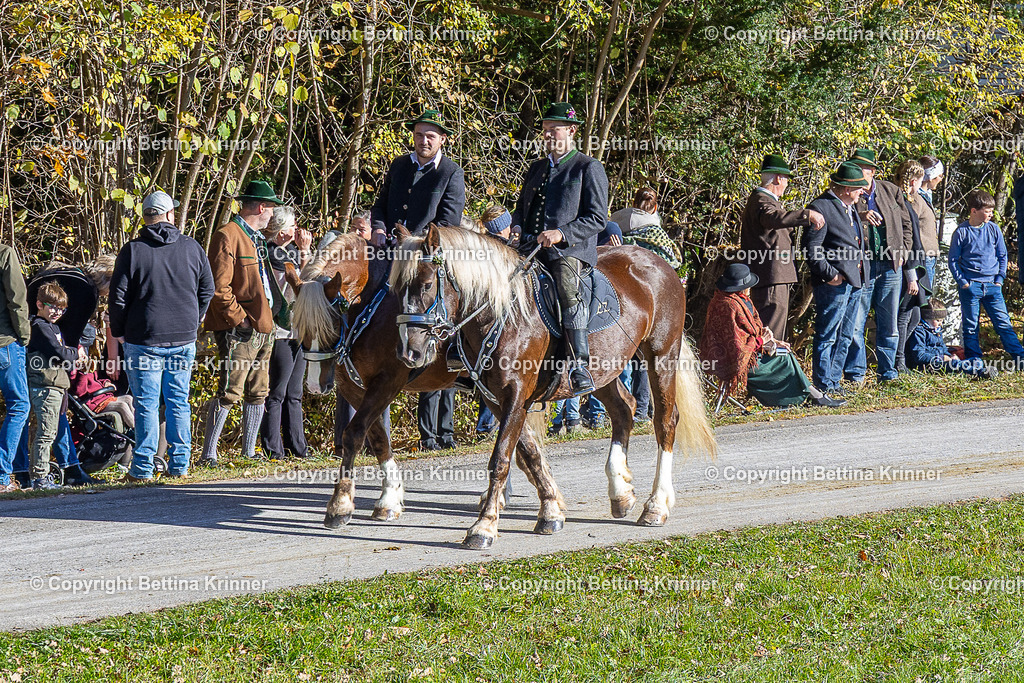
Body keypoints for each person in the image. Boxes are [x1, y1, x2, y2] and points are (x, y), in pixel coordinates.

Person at [109, 190, 214, 480]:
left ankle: (142, 467)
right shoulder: (192, 247)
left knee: (147, 403)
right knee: (179, 400)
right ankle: (180, 465)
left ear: (146, 218)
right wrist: (195, 317)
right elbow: (208, 288)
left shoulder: (133, 251)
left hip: (144, 338)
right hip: (183, 337)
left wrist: (118, 331)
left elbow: (117, 298)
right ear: (170, 215)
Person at [511, 101, 609, 395]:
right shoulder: (537, 168)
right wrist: (516, 226)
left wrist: (561, 234)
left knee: (568, 286)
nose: (548, 135)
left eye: (554, 130)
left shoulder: (588, 167)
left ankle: (579, 365)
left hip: (569, 252)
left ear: (572, 131)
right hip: (530, 246)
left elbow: (597, 218)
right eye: (545, 130)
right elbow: (520, 209)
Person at [200, 180, 284, 465]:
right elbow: (217, 287)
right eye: (271, 209)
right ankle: (208, 455)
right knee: (230, 391)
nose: (272, 214)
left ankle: (248, 453)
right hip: (240, 329)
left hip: (263, 326)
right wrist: (240, 321)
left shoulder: (256, 238)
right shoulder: (228, 235)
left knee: (259, 391)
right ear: (260, 207)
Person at [700, 264, 844, 408]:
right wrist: (763, 341)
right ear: (741, 287)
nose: (750, 288)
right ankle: (810, 396)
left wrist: (773, 342)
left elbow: (749, 333)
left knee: (785, 353)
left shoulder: (736, 300)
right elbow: (736, 347)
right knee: (785, 359)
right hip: (732, 363)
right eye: (748, 285)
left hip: (747, 355)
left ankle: (811, 395)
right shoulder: (729, 305)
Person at [836, 148, 914, 385]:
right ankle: (855, 374)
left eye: (863, 170)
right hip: (863, 266)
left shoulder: (891, 191)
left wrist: (902, 254)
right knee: (856, 323)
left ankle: (887, 372)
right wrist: (861, 215)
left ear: (872, 172)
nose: (859, 175)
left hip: (891, 266)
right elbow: (839, 221)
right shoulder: (849, 193)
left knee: (889, 323)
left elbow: (907, 226)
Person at [739, 154, 825, 341]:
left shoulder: (763, 201)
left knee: (772, 331)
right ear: (779, 178)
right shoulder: (762, 201)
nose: (786, 184)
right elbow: (774, 218)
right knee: (771, 333)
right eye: (786, 179)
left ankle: (768, 367)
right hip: (770, 277)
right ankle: (766, 369)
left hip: (772, 276)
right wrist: (807, 215)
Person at [803, 161, 869, 396]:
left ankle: (834, 381)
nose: (863, 191)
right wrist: (830, 274)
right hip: (834, 284)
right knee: (828, 334)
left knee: (846, 334)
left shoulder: (849, 207)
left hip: (855, 280)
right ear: (846, 188)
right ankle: (822, 383)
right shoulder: (821, 207)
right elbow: (812, 248)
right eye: (859, 187)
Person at [948, 189, 1024, 366]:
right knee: (971, 325)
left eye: (991, 211)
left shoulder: (994, 229)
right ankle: (975, 360)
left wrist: (999, 279)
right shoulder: (961, 232)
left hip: (992, 285)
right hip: (971, 286)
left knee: (1003, 323)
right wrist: (963, 282)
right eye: (987, 211)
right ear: (974, 211)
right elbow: (953, 260)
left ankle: (1019, 357)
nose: (990, 214)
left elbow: (1002, 256)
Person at [260, 205, 312, 459]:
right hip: (281, 330)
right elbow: (298, 285)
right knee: (276, 392)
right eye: (292, 226)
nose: (297, 229)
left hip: (297, 329)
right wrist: (304, 252)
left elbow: (313, 279)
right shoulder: (273, 254)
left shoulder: (291, 250)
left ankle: (297, 447)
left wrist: (303, 252)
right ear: (280, 231)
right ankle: (273, 448)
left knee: (294, 393)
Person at [26, 281, 82, 490]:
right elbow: (60, 354)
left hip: (57, 386)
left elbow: (63, 355)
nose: (57, 312)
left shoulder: (53, 328)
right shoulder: (40, 327)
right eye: (52, 307)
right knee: (46, 433)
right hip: (45, 386)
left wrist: (68, 354)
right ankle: (40, 477)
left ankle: (42, 474)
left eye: (61, 308)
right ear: (39, 304)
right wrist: (75, 353)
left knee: (51, 431)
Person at [894, 160, 931, 373]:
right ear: (912, 181)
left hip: (915, 264)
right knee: (905, 314)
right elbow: (904, 240)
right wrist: (910, 274)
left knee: (915, 314)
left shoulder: (908, 201)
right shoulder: (899, 202)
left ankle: (901, 359)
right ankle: (898, 362)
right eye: (919, 181)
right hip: (908, 267)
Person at [0, 242, 30, 494]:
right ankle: (2, 474)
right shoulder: (3, 253)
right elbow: (16, 299)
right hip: (4, 341)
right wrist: (24, 336)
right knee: (19, 405)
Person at [907, 303, 996, 378]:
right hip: (928, 364)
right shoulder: (919, 331)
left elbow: (943, 347)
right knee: (954, 365)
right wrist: (940, 357)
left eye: (942, 321)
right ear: (927, 318)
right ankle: (980, 373)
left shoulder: (937, 330)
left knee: (975, 360)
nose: (940, 324)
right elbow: (919, 356)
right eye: (937, 320)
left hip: (943, 360)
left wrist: (949, 355)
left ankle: (978, 369)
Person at [610, 187, 682, 269]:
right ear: (655, 207)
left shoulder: (613, 225)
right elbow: (670, 265)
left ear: (633, 203)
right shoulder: (658, 234)